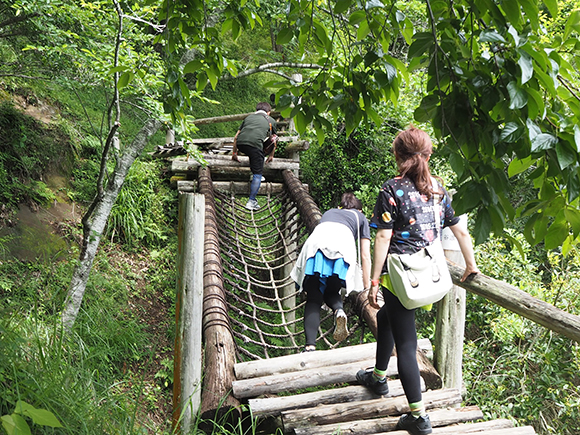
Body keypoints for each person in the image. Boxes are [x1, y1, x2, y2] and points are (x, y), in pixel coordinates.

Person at [356, 127, 480, 435]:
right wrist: (471, 265)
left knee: (407, 345)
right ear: (429, 154)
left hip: (401, 278)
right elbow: (460, 231)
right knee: (386, 320)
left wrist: (373, 281)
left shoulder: (391, 189)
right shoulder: (438, 188)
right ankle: (378, 377)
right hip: (431, 274)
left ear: (397, 155)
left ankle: (418, 416)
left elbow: (383, 236)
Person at [291, 193, 372, 352]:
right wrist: (368, 286)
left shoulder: (329, 212)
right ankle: (339, 310)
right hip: (342, 252)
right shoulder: (361, 218)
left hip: (315, 249)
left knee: (314, 297)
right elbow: (365, 255)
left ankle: (309, 347)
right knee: (332, 289)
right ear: (359, 210)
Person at [232, 102, 278, 211]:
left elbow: (235, 137)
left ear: (256, 110)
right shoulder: (271, 120)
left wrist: (234, 153)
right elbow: (274, 140)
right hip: (255, 146)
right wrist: (271, 155)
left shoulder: (248, 118)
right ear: (269, 112)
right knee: (258, 172)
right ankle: (251, 201)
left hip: (241, 144)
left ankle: (254, 174)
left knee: (255, 155)